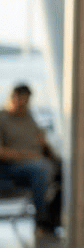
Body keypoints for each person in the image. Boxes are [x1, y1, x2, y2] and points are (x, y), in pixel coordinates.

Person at [0, 83, 62, 237]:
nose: (22, 105)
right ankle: (41, 221)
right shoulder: (2, 118)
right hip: (11, 167)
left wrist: (45, 146)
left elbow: (41, 146)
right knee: (41, 169)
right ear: (11, 99)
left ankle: (53, 220)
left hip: (38, 162)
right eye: (19, 100)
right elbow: (1, 153)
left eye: (25, 101)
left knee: (66, 169)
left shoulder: (29, 117)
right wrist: (29, 155)